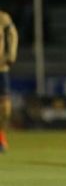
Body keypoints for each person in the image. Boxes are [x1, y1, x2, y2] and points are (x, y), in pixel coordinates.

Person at [0, 10, 18, 152]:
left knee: (5, 107)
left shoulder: (3, 17)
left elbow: (12, 35)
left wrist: (11, 54)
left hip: (1, 67)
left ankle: (1, 135)